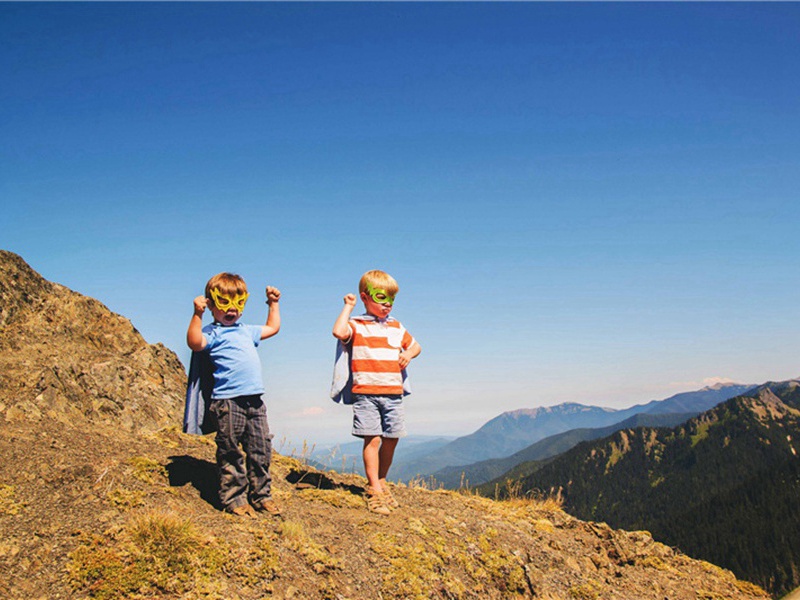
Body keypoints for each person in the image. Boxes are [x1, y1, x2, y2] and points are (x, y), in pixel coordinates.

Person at [186, 272, 281, 518]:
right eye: (223, 303)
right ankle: (235, 499)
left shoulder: (246, 331)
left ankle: (262, 496)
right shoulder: (213, 332)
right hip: (227, 402)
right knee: (230, 451)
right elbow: (195, 343)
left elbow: (273, 328)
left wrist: (273, 304)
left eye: (238, 303)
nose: (231, 309)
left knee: (261, 449)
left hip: (255, 401)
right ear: (211, 303)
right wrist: (198, 314)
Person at [332, 270, 421, 515]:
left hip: (393, 392)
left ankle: (382, 479)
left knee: (392, 438)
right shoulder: (357, 325)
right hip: (366, 392)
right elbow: (339, 332)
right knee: (372, 438)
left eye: (391, 300)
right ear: (365, 296)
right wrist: (348, 307)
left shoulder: (396, 326)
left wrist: (408, 354)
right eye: (381, 298)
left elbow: (416, 346)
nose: (387, 304)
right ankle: (374, 489)